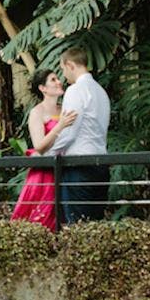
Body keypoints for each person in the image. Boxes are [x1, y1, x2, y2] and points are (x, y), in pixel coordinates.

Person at [11, 68, 77, 230]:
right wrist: (60, 126)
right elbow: (39, 145)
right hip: (44, 173)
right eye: (53, 80)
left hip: (66, 168)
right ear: (43, 88)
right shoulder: (37, 112)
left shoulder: (65, 108)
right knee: (42, 216)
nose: (59, 82)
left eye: (58, 79)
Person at [54, 46, 111, 223]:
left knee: (76, 225)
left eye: (63, 69)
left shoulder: (75, 90)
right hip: (101, 163)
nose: (64, 75)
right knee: (95, 226)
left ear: (70, 64)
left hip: (79, 165)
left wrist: (47, 152)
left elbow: (69, 132)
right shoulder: (101, 92)